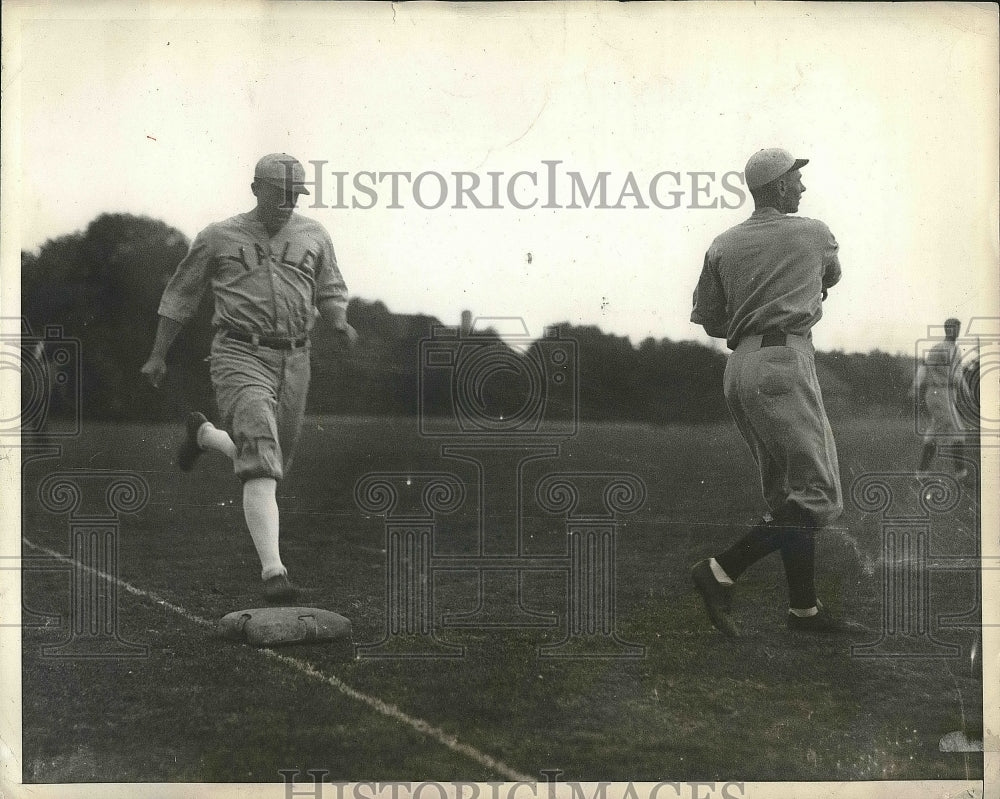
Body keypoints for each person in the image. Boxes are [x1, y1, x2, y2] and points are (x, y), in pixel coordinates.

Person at [141, 153, 358, 602]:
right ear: (255, 187)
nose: (288, 203)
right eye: (280, 193)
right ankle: (274, 573)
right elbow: (180, 296)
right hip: (239, 350)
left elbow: (331, 288)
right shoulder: (218, 236)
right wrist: (158, 354)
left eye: (295, 195)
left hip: (297, 357)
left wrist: (338, 320)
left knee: (271, 462)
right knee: (261, 454)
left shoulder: (313, 234)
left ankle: (202, 435)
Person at [688, 147, 859, 636]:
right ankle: (721, 569)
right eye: (795, 180)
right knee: (817, 493)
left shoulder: (722, 243)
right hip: (784, 362)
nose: (801, 188)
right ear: (779, 186)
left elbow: (711, 321)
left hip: (739, 366)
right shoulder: (813, 232)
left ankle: (803, 611)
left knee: (789, 493)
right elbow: (831, 279)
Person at [912, 317, 970, 479]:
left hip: (949, 394)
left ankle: (922, 473)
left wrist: (966, 391)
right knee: (956, 429)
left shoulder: (956, 350)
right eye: (953, 328)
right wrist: (916, 386)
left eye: (958, 328)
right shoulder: (939, 348)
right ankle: (961, 473)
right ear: (947, 329)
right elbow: (925, 366)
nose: (956, 331)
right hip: (937, 392)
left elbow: (958, 374)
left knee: (936, 432)